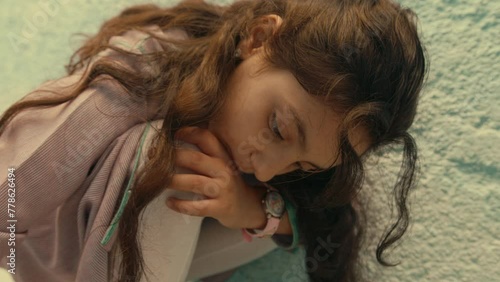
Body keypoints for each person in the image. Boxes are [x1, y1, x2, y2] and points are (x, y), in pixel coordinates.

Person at [0, 0, 427, 281]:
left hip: (118, 260)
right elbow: (17, 181)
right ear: (259, 39)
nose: (265, 168)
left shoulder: (268, 164)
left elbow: (318, 222)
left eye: (300, 166)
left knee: (256, 218)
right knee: (182, 161)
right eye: (278, 128)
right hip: (41, 253)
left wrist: (255, 208)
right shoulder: (146, 62)